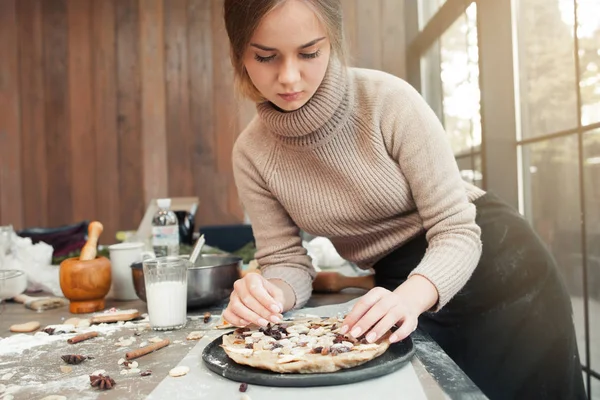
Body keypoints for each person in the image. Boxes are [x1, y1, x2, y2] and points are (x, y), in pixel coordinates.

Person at [221, 0, 586, 398]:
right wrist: (269, 295)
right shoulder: (251, 153)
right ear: (240, 52)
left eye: (310, 52)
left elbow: (457, 229)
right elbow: (287, 262)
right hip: (398, 284)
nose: (289, 77)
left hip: (499, 267)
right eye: (266, 56)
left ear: (334, 43)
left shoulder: (388, 101)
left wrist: (409, 299)